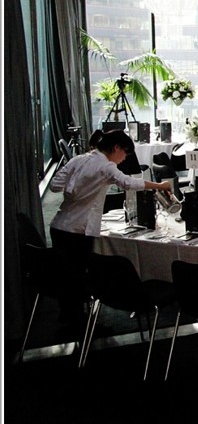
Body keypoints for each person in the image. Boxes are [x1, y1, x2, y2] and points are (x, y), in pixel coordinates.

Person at [48, 130, 172, 329]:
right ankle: (79, 326)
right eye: (125, 153)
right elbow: (128, 183)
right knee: (77, 279)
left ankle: (70, 321)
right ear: (116, 148)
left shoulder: (78, 159)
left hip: (59, 226)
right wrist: (160, 185)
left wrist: (76, 187)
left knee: (67, 278)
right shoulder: (106, 166)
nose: (124, 158)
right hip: (78, 231)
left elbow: (55, 185)